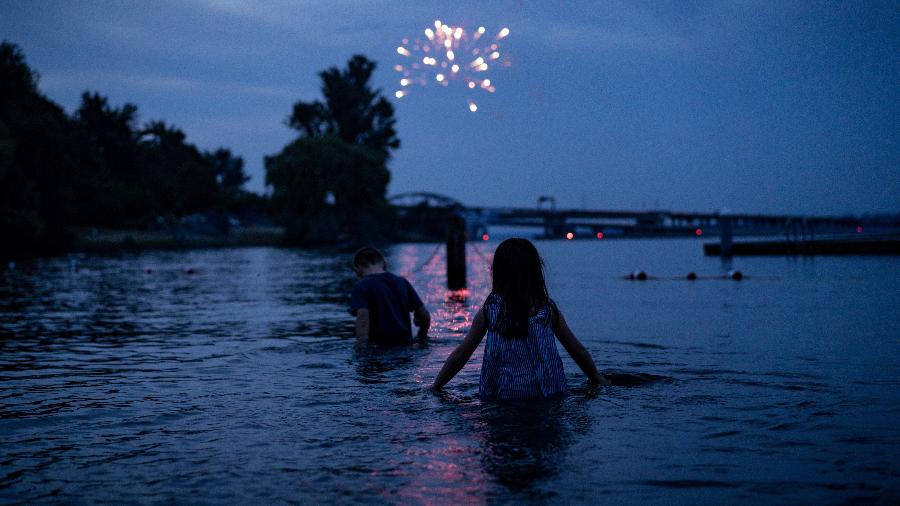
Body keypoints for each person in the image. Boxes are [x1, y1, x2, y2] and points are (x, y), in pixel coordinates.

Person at [432, 238, 609, 399]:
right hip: (548, 397)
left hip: (501, 399)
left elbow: (461, 354)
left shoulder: (490, 312)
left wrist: (436, 386)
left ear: (498, 272)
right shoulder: (546, 311)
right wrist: (597, 379)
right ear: (536, 272)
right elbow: (578, 351)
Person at [349, 246, 430, 345]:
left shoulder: (361, 286)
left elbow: (363, 318)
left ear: (357, 270)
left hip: (379, 349)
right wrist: (422, 336)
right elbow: (425, 316)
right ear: (384, 264)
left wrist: (361, 347)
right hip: (405, 346)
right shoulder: (402, 282)